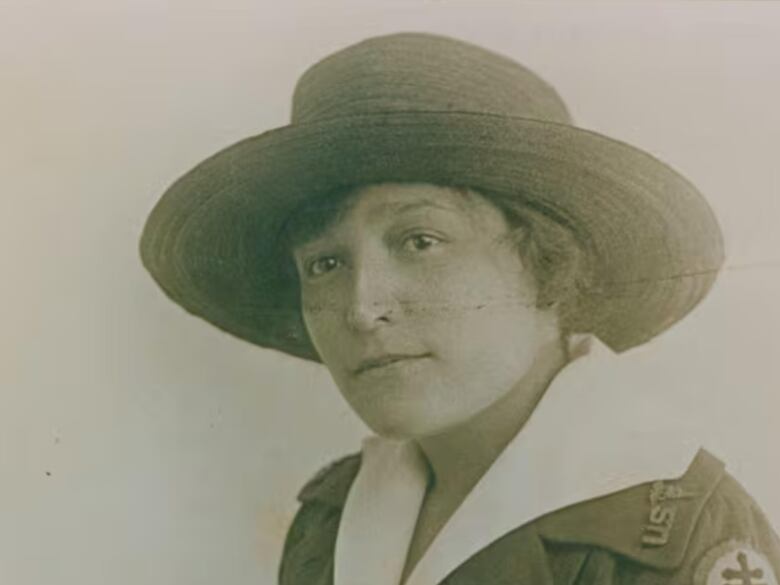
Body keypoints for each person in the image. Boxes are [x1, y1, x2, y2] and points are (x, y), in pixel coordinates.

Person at [139, 32, 780, 585]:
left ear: (549, 265)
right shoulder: (331, 517)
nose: (363, 309)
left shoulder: (674, 532)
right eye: (325, 265)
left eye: (421, 241)